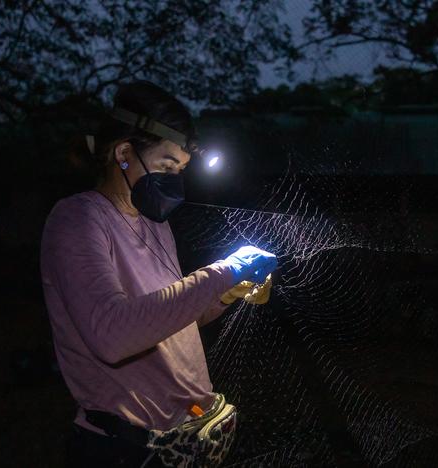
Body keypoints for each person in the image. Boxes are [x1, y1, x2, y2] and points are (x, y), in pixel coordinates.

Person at [40, 81, 277, 467]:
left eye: (181, 169)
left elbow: (170, 319)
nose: (175, 180)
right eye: (166, 166)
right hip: (125, 452)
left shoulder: (154, 225)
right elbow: (113, 336)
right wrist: (224, 271)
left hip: (187, 444)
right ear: (123, 154)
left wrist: (228, 292)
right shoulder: (78, 219)